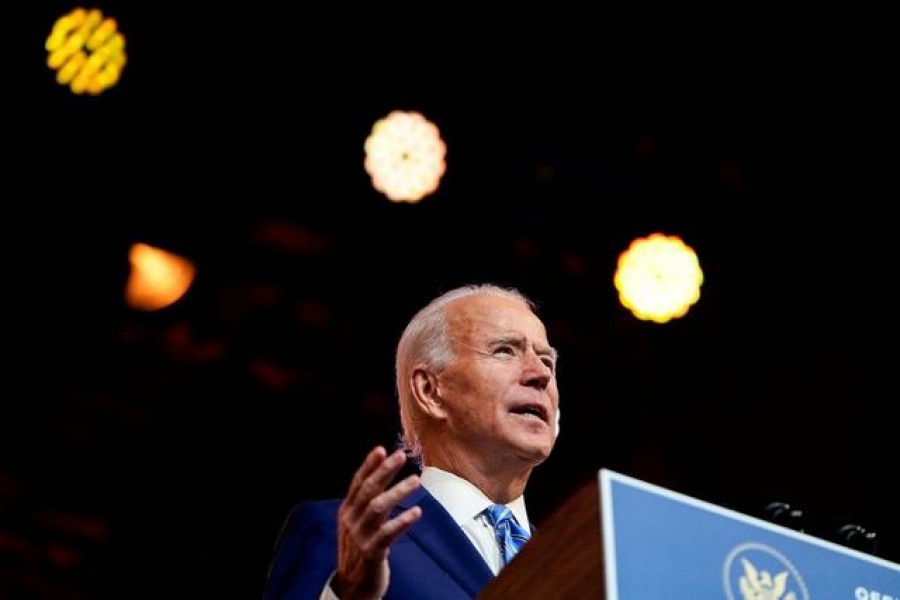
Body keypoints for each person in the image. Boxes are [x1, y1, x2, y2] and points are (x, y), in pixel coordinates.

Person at [262, 283, 560, 600]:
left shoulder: (573, 563)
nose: (540, 374)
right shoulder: (347, 539)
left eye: (547, 361)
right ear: (430, 391)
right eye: (505, 351)